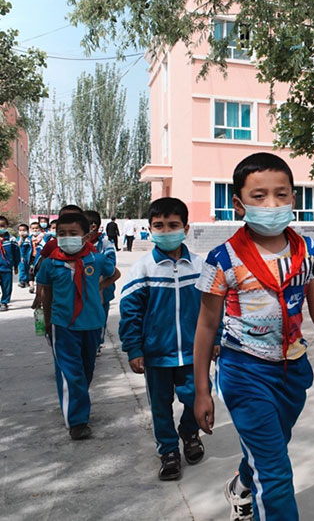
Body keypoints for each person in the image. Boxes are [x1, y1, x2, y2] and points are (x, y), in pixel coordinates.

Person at [193, 152, 314, 521]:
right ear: (239, 204)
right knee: (276, 473)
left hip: (292, 372)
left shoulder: (308, 252)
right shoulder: (223, 260)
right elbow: (206, 326)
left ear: (293, 198)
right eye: (259, 196)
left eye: (281, 194)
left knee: (270, 449)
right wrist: (202, 390)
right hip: (244, 372)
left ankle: (241, 486)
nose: (272, 204)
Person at [119, 197, 208, 481]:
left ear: (186, 228)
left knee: (195, 397)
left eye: (173, 225)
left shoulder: (200, 266)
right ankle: (168, 450)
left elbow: (213, 308)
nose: (166, 231)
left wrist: (215, 338)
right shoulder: (143, 268)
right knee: (160, 406)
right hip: (157, 354)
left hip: (194, 353)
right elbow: (130, 312)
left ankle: (189, 432)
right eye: (159, 226)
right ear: (150, 229)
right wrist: (134, 348)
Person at [35, 212, 120, 439]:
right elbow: (46, 292)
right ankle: (77, 421)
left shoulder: (96, 260)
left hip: (92, 323)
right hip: (63, 325)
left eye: (73, 233)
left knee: (86, 370)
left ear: (86, 236)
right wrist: (47, 320)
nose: (66, 238)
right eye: (62, 234)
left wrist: (99, 287)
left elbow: (115, 274)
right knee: (71, 373)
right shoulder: (51, 263)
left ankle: (78, 402)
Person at [84, 210, 117, 349]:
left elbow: (111, 266)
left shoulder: (105, 244)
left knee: (100, 316)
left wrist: (99, 286)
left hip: (103, 289)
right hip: (84, 290)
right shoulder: (79, 244)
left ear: (93, 226)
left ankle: (97, 343)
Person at [0, 216, 21, 311]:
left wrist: (16, 265)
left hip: (6, 267)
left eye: (2, 226)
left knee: (6, 286)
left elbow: (16, 253)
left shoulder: (11, 239)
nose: (0, 228)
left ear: (7, 226)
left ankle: (4, 302)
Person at [16, 223, 32, 289]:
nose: (22, 232)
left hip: (28, 256)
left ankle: (28, 280)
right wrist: (20, 238)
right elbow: (18, 245)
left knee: (28, 269)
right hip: (21, 257)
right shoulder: (18, 239)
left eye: (24, 230)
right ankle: (22, 281)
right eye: (20, 230)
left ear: (27, 231)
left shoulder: (29, 238)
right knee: (22, 269)